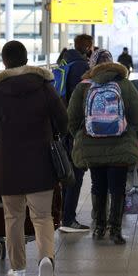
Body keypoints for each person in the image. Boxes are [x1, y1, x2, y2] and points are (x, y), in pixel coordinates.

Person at [0, 41, 68, 276]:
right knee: (42, 216)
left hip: (8, 165)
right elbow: (63, 120)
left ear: (4, 62)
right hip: (41, 163)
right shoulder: (44, 87)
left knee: (13, 217)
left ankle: (17, 269)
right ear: (27, 59)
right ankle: (46, 258)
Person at [67, 49, 138, 245]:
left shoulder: (84, 86)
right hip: (120, 145)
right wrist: (130, 136)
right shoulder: (124, 84)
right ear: (111, 62)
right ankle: (116, 230)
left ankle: (99, 227)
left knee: (98, 185)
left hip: (92, 145)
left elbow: (72, 118)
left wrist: (82, 134)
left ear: (92, 64)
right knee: (117, 188)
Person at [58, 34, 94, 233]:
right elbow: (82, 100)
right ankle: (69, 218)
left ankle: (64, 213)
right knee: (75, 173)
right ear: (88, 47)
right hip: (75, 129)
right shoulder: (80, 67)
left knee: (65, 171)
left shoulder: (63, 62)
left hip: (61, 127)